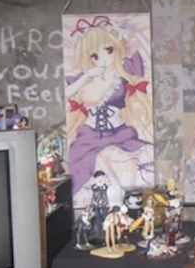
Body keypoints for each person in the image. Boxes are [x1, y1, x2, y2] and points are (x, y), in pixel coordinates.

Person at [65, 16, 154, 196]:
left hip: (119, 134)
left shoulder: (123, 71)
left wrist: (134, 34)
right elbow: (67, 93)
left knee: (146, 156)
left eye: (109, 51)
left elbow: (144, 55)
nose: (104, 59)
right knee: (85, 169)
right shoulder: (87, 76)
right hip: (90, 136)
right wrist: (87, 75)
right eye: (95, 56)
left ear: (117, 48)